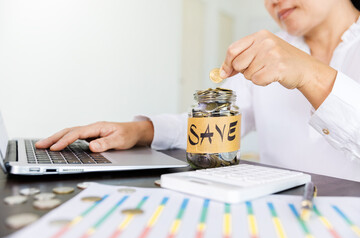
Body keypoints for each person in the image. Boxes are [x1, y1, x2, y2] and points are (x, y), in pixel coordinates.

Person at [36, 0, 360, 182]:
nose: (273, 2)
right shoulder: (272, 50)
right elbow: (213, 123)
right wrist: (140, 130)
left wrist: (312, 75)